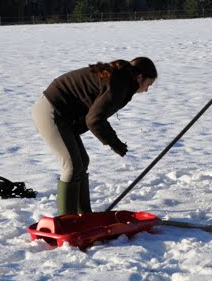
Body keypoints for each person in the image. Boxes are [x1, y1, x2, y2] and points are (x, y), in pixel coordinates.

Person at [32, 57, 157, 215]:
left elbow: (92, 116)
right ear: (139, 77)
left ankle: (84, 215)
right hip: (50, 110)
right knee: (71, 164)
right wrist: (115, 143)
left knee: (82, 162)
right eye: (148, 85)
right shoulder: (119, 84)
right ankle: (67, 220)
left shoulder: (122, 80)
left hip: (62, 115)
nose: (146, 90)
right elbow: (94, 119)